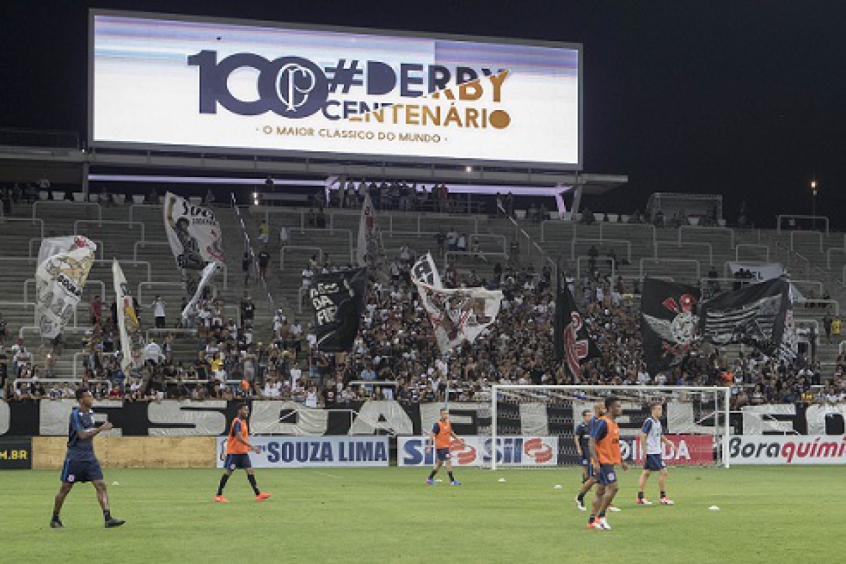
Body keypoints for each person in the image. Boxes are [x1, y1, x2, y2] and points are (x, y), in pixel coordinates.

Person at [51, 388, 125, 529]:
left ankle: (108, 518)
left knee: (101, 485)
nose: (92, 398)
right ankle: (55, 518)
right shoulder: (75, 415)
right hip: (75, 457)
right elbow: (82, 435)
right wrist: (100, 429)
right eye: (89, 397)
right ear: (81, 400)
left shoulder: (90, 414)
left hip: (89, 457)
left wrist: (97, 430)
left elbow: (89, 433)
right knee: (65, 488)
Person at [215, 403, 271, 503]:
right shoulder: (237, 422)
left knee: (250, 471)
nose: (247, 412)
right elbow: (239, 437)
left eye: (248, 410)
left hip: (242, 453)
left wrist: (247, 448)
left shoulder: (243, 422)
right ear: (239, 411)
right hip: (234, 453)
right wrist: (252, 447)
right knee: (228, 472)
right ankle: (218, 495)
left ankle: (258, 494)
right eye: (245, 410)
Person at [588, 396, 629, 530]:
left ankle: (592, 520)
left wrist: (622, 461)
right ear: (610, 408)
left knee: (600, 491)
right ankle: (602, 517)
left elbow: (614, 446)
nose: (620, 409)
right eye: (618, 406)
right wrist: (595, 461)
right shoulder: (603, 422)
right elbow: (592, 441)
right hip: (603, 462)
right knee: (614, 488)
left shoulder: (614, 424)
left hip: (609, 462)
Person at [636, 402, 676, 506]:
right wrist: (645, 451)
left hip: (656, 451)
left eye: (661, 409)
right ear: (653, 410)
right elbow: (642, 435)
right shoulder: (649, 421)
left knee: (646, 473)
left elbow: (660, 436)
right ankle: (663, 497)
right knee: (664, 472)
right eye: (658, 409)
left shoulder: (657, 422)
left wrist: (669, 443)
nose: (660, 411)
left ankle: (640, 497)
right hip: (651, 452)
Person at [425, 407, 465, 486]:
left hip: (446, 446)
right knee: (448, 462)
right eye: (444, 413)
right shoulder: (437, 424)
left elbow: (451, 433)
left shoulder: (448, 422)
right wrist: (429, 447)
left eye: (447, 413)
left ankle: (429, 479)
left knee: (439, 464)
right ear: (441, 414)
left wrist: (459, 440)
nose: (446, 415)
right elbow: (432, 435)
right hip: (441, 447)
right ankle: (452, 481)